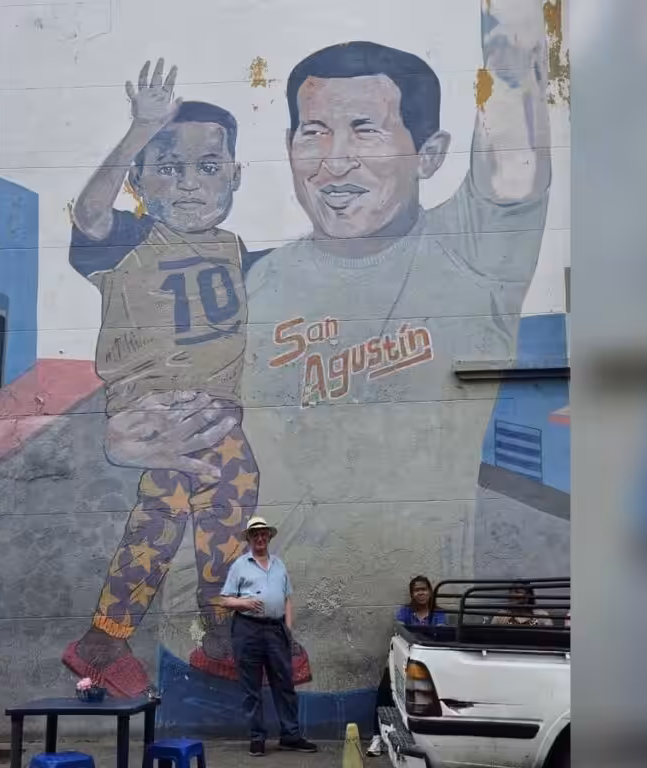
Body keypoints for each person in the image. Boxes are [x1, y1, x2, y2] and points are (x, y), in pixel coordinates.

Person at [98, 0, 551, 702]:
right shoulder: (243, 280)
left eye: (365, 129)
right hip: (204, 658)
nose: (333, 160)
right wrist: (128, 432)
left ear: (429, 153)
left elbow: (516, 161)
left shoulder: (473, 257)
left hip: (391, 668)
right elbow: (153, 370)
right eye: (312, 132)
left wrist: (514, 57)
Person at [62, 59, 312, 696]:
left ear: (234, 176)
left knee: (207, 507)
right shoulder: (128, 239)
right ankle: (182, 636)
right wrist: (139, 130)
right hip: (159, 412)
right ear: (140, 181)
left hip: (215, 413)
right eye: (168, 166)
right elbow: (89, 212)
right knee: (187, 504)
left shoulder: (234, 249)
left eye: (208, 166)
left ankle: (131, 639)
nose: (191, 183)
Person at [220, 517, 318, 756]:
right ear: (249, 539)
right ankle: (257, 738)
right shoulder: (240, 565)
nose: (260, 538)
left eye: (264, 534)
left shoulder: (279, 564)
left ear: (269, 537)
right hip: (247, 630)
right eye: (255, 535)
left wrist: (288, 629)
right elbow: (224, 600)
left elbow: (287, 599)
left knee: (284, 684)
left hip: (276, 631)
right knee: (251, 687)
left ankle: (290, 736)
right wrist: (243, 602)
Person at [367, 576, 447, 757]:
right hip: (403, 662)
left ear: (430, 591)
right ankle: (377, 737)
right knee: (384, 691)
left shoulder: (438, 614)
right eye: (416, 590)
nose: (421, 593)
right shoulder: (405, 613)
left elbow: (440, 637)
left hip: (429, 667)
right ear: (411, 594)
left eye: (424, 589)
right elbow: (400, 633)